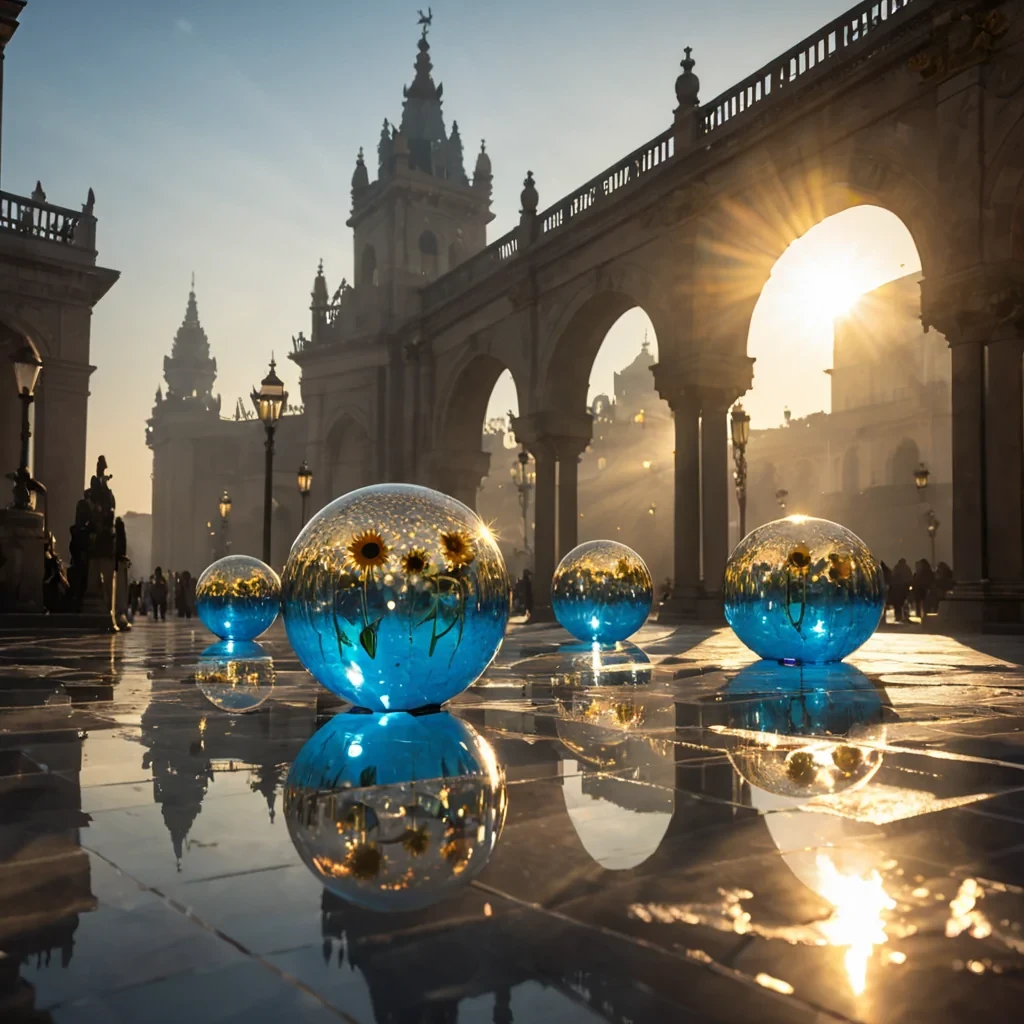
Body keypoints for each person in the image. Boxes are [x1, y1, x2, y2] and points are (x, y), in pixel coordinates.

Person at [889, 558, 913, 623]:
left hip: (897, 589)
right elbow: (910, 578)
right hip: (904, 589)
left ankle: (898, 616)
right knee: (904, 603)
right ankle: (905, 616)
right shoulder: (907, 568)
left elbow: (892, 578)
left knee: (897, 604)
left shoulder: (896, 568)